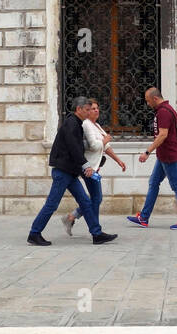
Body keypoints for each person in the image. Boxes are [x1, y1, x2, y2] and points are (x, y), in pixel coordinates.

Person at [28, 96, 117, 246]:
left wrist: (86, 165)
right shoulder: (71, 124)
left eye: (91, 110)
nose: (89, 113)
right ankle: (34, 233)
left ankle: (97, 234)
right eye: (87, 110)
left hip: (70, 172)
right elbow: (74, 149)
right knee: (52, 204)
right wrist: (86, 166)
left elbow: (79, 148)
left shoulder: (77, 124)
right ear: (79, 109)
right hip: (63, 173)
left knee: (86, 202)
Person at [126, 86, 177, 230]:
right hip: (164, 155)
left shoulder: (164, 112)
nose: (147, 103)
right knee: (154, 183)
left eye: (148, 100)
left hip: (168, 155)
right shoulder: (168, 109)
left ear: (155, 98)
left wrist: (147, 152)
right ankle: (143, 218)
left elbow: (163, 135)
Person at [65, 98, 126, 236]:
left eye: (97, 108)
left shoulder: (96, 125)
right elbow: (94, 145)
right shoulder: (86, 124)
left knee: (95, 198)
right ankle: (95, 231)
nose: (96, 110)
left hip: (95, 168)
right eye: (92, 108)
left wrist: (118, 160)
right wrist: (105, 140)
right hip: (88, 168)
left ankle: (73, 218)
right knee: (96, 198)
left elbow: (106, 147)